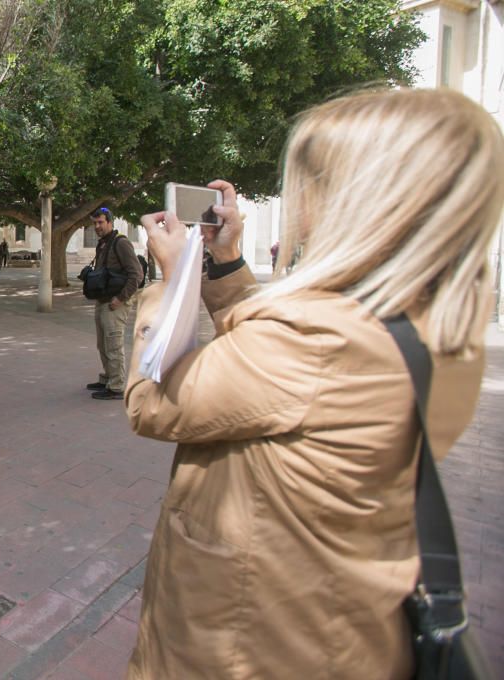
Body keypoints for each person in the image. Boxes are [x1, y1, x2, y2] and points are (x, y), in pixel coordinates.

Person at [124, 88, 504, 679]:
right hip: (335, 628)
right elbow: (278, 373)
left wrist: (172, 284)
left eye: (308, 183)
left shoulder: (316, 338)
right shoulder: (434, 327)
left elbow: (152, 401)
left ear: (357, 201)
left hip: (246, 647)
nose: (299, 205)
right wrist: (225, 266)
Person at [85, 206, 142, 400]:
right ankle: (108, 377)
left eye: (100, 222)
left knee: (113, 344)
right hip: (103, 299)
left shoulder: (121, 243)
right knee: (103, 344)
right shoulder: (103, 244)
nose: (97, 226)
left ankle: (116, 386)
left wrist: (121, 298)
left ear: (110, 222)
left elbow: (137, 275)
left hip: (116, 302)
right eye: (94, 223)